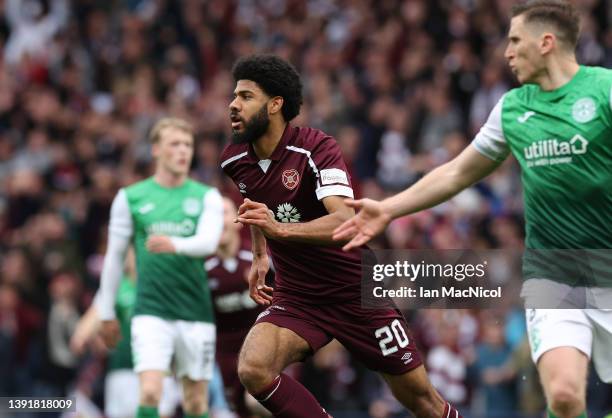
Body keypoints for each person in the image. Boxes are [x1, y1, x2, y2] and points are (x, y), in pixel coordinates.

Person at [333, 2, 612, 418]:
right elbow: (456, 173)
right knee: (566, 394)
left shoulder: (605, 90)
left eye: (516, 40)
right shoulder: (514, 109)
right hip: (554, 271)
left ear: (547, 42)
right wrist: (389, 209)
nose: (507, 52)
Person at [221, 54, 463, 418]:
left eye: (245, 96)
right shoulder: (234, 159)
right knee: (253, 369)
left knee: (423, 402)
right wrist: (260, 254)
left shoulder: (316, 149)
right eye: (234, 95)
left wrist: (278, 229)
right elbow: (256, 201)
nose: (233, 104)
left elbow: (345, 221)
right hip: (298, 295)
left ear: (275, 105)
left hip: (356, 291)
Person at [96, 117, 224, 418]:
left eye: (188, 145)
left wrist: (175, 244)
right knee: (151, 391)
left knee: (195, 402)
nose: (183, 151)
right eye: (175, 144)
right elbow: (114, 258)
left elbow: (208, 243)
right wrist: (105, 312)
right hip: (151, 310)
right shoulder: (131, 198)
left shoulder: (207, 196)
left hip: (195, 311)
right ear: (156, 150)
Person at [205, 197, 271, 417]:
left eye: (223, 213)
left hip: (264, 347)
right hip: (226, 356)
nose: (218, 220)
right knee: (242, 410)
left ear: (237, 219)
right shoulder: (204, 270)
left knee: (258, 403)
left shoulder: (259, 260)